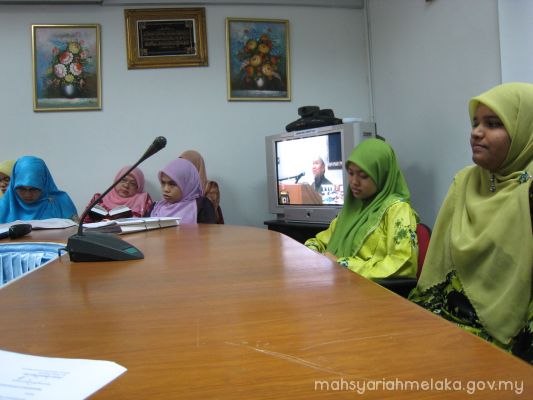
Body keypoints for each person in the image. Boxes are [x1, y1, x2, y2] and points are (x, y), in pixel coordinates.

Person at [409, 82, 533, 364]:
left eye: (493, 124)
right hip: (447, 322)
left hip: (510, 345)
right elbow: (439, 274)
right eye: (475, 123)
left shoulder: (529, 192)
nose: (476, 132)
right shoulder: (465, 182)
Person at [305, 139, 418, 279]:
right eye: (351, 173)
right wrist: (311, 252)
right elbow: (322, 241)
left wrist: (342, 264)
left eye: (363, 176)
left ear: (382, 175)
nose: (354, 182)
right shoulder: (353, 207)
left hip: (372, 289)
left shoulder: (397, 210)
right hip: (338, 282)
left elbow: (403, 264)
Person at [0, 156, 78, 223]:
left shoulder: (61, 204)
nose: (27, 195)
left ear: (44, 184)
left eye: (34, 189)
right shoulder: (4, 207)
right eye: (21, 189)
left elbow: (76, 232)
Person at [150, 158, 216, 224]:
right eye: (163, 183)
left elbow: (209, 230)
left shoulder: (201, 206)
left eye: (172, 184)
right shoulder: (156, 207)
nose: (166, 189)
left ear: (187, 184)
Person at [83, 165, 153, 223]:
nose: (126, 185)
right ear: (117, 180)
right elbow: (83, 222)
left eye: (132, 183)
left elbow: (150, 224)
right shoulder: (100, 199)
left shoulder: (143, 200)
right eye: (123, 180)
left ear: (138, 187)